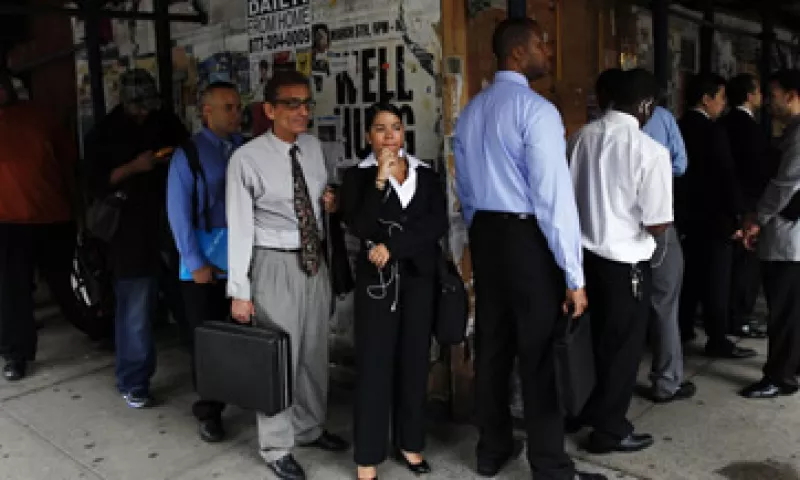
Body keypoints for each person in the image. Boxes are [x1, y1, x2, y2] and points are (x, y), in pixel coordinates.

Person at [454, 17, 602, 480]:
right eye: (543, 44)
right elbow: (553, 199)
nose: (549, 52)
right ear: (518, 53)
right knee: (539, 354)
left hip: (487, 238)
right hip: (526, 239)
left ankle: (491, 448)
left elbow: (466, 189)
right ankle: (550, 465)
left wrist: (480, 238)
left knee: (493, 347)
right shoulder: (537, 112)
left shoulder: (471, 111)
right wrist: (574, 276)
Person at [225, 70, 347, 480]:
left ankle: (309, 427)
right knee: (280, 357)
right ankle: (276, 445)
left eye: (306, 103)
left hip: (313, 262)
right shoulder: (247, 159)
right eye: (291, 104)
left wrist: (329, 203)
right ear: (270, 109)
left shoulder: (313, 149)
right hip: (272, 263)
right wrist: (239, 290)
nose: (302, 111)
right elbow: (240, 226)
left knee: (314, 350)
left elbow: (317, 198)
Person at [340, 103, 448, 480]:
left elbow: (436, 225)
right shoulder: (357, 178)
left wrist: (394, 248)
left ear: (405, 133)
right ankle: (368, 454)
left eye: (396, 128)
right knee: (373, 366)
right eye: (381, 128)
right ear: (368, 135)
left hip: (418, 280)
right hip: (376, 286)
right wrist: (380, 182)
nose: (389, 136)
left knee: (414, 363)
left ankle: (410, 443)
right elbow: (359, 223)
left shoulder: (427, 175)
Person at [569, 69, 670, 453]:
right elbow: (658, 222)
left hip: (582, 261)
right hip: (625, 264)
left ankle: (582, 410)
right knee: (622, 352)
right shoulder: (649, 151)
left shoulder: (579, 138)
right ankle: (609, 430)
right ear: (645, 105)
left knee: (589, 344)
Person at [85, 68, 189, 408]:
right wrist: (134, 167)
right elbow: (96, 181)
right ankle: (133, 380)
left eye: (148, 105)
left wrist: (172, 157)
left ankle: (205, 368)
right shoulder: (105, 132)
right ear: (125, 102)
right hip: (129, 231)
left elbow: (187, 150)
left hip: (171, 222)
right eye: (138, 107)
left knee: (187, 298)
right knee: (134, 306)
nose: (145, 112)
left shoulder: (165, 121)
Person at [166, 82, 244, 442]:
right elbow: (178, 214)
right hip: (203, 263)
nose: (235, 113)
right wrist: (195, 262)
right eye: (227, 107)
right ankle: (209, 411)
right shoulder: (189, 154)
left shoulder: (244, 148)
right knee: (208, 339)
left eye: (237, 107)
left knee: (244, 337)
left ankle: (249, 394)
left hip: (241, 258)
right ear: (206, 112)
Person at [0, 70, 81, 380]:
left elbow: (69, 165)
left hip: (53, 215)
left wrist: (78, 210)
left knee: (68, 282)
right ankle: (15, 354)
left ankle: (94, 326)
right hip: (8, 222)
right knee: (13, 292)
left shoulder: (41, 117)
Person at [676, 73, 757, 359]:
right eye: (721, 97)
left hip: (687, 216)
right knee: (716, 282)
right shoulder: (712, 131)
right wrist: (738, 218)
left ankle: (683, 327)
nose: (723, 104)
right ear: (706, 98)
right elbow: (726, 177)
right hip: (715, 218)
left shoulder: (680, 126)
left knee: (690, 276)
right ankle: (718, 338)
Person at [632, 72, 695, 403]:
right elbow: (681, 165)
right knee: (665, 302)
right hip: (656, 222)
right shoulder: (663, 121)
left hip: (613, 231)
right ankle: (666, 380)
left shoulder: (591, 132)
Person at [740, 70, 800, 399]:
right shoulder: (791, 131)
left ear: (792, 95)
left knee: (785, 312)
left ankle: (781, 376)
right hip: (789, 236)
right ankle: (791, 365)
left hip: (791, 239)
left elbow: (785, 185)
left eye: (774, 94)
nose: (768, 101)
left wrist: (757, 218)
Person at [722, 73, 771, 339]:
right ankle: (740, 317)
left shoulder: (725, 122)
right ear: (750, 95)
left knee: (734, 265)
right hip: (749, 202)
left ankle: (733, 314)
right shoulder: (748, 128)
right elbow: (755, 170)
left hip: (732, 202)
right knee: (746, 266)